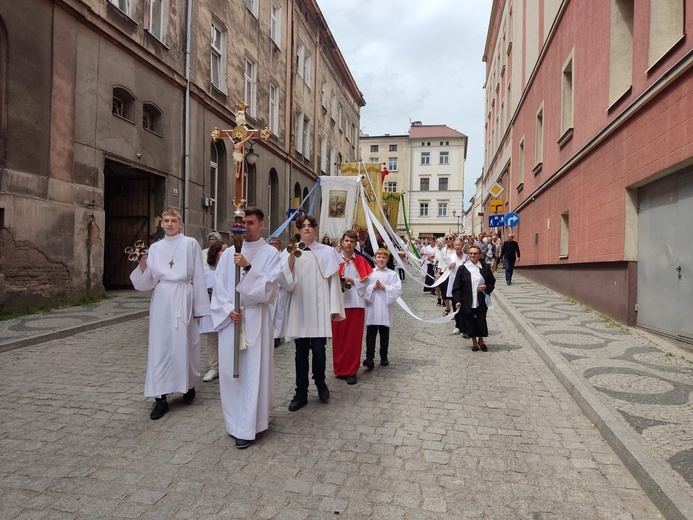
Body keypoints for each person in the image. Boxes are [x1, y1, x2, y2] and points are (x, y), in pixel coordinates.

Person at [210, 207, 281, 449]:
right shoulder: (228, 253)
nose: (245, 226)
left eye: (251, 222)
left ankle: (251, 425)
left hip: (256, 318)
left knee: (252, 372)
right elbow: (218, 286)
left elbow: (270, 290)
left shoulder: (271, 253)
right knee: (232, 372)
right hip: (232, 319)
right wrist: (227, 308)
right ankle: (234, 422)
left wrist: (249, 268)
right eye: (242, 222)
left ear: (261, 224)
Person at [130, 208, 210, 420]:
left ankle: (188, 386)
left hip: (185, 295)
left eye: (174, 220)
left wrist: (200, 308)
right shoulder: (155, 247)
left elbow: (199, 277)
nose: (169, 224)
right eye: (166, 221)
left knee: (185, 343)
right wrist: (142, 262)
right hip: (163, 299)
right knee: (160, 345)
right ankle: (160, 397)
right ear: (161, 224)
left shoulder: (190, 244)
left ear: (180, 223)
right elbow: (148, 280)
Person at [279, 214, 345, 412]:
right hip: (300, 305)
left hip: (319, 307)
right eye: (303, 226)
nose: (307, 228)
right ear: (298, 229)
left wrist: (334, 308)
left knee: (318, 350)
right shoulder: (291, 250)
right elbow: (285, 280)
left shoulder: (327, 252)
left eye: (310, 225)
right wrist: (291, 255)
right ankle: (301, 392)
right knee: (300, 353)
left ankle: (321, 382)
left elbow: (334, 281)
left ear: (315, 229)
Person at [332, 230, 372, 385]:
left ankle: (351, 371)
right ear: (342, 242)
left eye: (352, 241)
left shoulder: (361, 261)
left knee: (353, 339)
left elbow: (366, 281)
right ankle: (340, 369)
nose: (349, 244)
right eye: (346, 240)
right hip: (338, 302)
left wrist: (351, 280)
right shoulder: (334, 259)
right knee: (339, 338)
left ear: (356, 244)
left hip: (355, 303)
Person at [452, 245, 495, 352]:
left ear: (479, 255)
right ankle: (474, 342)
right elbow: (457, 286)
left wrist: (485, 287)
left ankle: (481, 340)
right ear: (468, 254)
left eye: (475, 253)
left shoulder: (484, 267)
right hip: (467, 300)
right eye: (471, 253)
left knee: (481, 320)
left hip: (481, 299)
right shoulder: (463, 268)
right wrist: (457, 300)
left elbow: (492, 282)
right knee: (470, 321)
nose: (473, 255)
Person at [364, 248, 402, 368]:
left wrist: (384, 287)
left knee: (384, 333)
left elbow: (397, 289)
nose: (381, 260)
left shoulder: (392, 274)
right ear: (375, 258)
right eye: (379, 257)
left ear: (387, 259)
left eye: (384, 257)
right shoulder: (369, 273)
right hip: (372, 307)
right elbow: (363, 288)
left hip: (385, 307)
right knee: (371, 333)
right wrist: (373, 287)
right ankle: (369, 357)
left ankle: (384, 357)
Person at [201, 240, 227, 382]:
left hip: (226, 309)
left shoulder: (231, 268)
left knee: (225, 337)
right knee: (212, 339)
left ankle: (226, 365)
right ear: (215, 252)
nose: (225, 252)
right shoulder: (207, 270)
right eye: (223, 250)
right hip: (211, 308)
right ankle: (214, 367)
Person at [268, 237, 289, 348]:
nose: (273, 246)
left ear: (279, 246)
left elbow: (285, 271)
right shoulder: (267, 256)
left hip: (280, 288)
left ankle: (277, 336)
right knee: (269, 312)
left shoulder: (284, 256)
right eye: (271, 244)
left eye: (275, 244)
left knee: (279, 313)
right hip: (269, 288)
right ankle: (268, 334)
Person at [446, 238, 468, 335]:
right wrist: (450, 265)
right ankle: (458, 325)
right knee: (455, 304)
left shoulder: (466, 257)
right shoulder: (450, 256)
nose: (457, 247)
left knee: (465, 305)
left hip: (464, 284)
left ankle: (464, 326)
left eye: (459, 245)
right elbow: (447, 268)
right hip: (454, 283)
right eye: (456, 245)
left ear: (462, 245)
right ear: (453, 246)